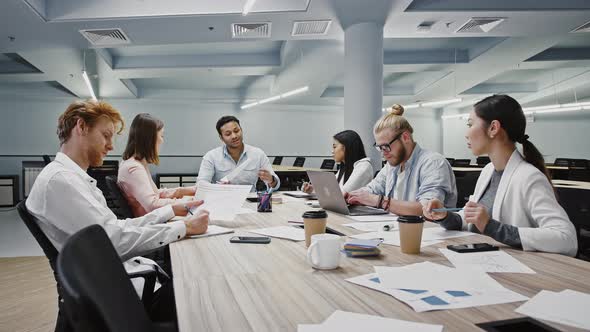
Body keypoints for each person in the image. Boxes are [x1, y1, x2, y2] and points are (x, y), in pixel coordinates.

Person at [26, 100, 210, 321]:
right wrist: (183, 227)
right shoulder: (60, 181)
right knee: (202, 285)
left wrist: (170, 213)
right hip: (115, 298)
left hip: (112, 283)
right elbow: (113, 242)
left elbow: (115, 228)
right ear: (81, 127)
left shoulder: (72, 178)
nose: (111, 145)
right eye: (106, 135)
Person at [423, 95, 578, 256]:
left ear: (493, 128)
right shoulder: (488, 170)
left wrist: (490, 226)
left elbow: (566, 239)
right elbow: (468, 220)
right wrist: (445, 215)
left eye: (470, 124)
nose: (466, 133)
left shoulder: (529, 177)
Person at [346, 104, 457, 216]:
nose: (383, 152)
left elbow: (428, 209)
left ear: (405, 137)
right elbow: (372, 189)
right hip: (397, 227)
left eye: (386, 146)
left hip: (428, 230)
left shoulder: (433, 163)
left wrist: (380, 201)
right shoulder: (392, 165)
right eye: (380, 147)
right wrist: (350, 195)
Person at [118, 113, 196, 217]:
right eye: (161, 136)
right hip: (151, 222)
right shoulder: (134, 168)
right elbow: (152, 204)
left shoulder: (136, 163)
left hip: (153, 218)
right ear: (150, 139)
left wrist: (185, 191)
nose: (162, 141)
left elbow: (155, 194)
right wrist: (184, 201)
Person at [198, 115, 280, 191]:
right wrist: (218, 188)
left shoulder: (257, 154)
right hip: (221, 200)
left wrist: (271, 180)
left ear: (241, 130)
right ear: (221, 137)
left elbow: (275, 185)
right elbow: (201, 184)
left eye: (236, 131)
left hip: (249, 201)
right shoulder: (211, 156)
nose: (234, 136)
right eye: (228, 134)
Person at [302, 130, 373, 193]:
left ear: (346, 147)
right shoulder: (345, 167)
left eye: (335, 147)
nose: (332, 151)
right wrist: (312, 189)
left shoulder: (364, 166)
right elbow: (330, 188)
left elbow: (343, 194)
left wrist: (319, 191)